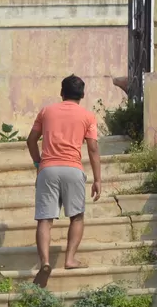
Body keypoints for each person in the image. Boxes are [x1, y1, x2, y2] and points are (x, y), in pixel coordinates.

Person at [26, 74, 102, 288]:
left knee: (45, 219)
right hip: (73, 169)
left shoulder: (46, 111)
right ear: (82, 94)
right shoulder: (88, 116)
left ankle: (45, 262)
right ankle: (69, 259)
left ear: (62, 92)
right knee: (77, 217)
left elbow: (31, 140)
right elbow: (93, 148)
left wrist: (37, 163)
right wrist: (97, 179)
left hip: (48, 169)